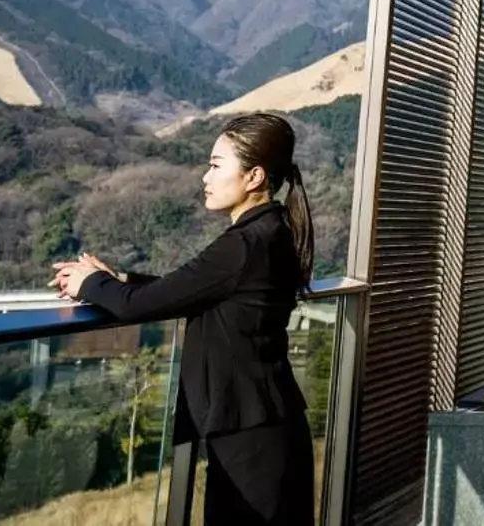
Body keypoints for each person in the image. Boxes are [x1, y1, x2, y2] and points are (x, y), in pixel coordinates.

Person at [52, 112, 317, 525]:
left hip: (250, 439)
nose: (204, 178)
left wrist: (89, 285)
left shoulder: (244, 244)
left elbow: (138, 306)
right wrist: (117, 279)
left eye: (215, 165)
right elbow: (199, 288)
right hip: (265, 427)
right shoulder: (270, 232)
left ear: (254, 177)